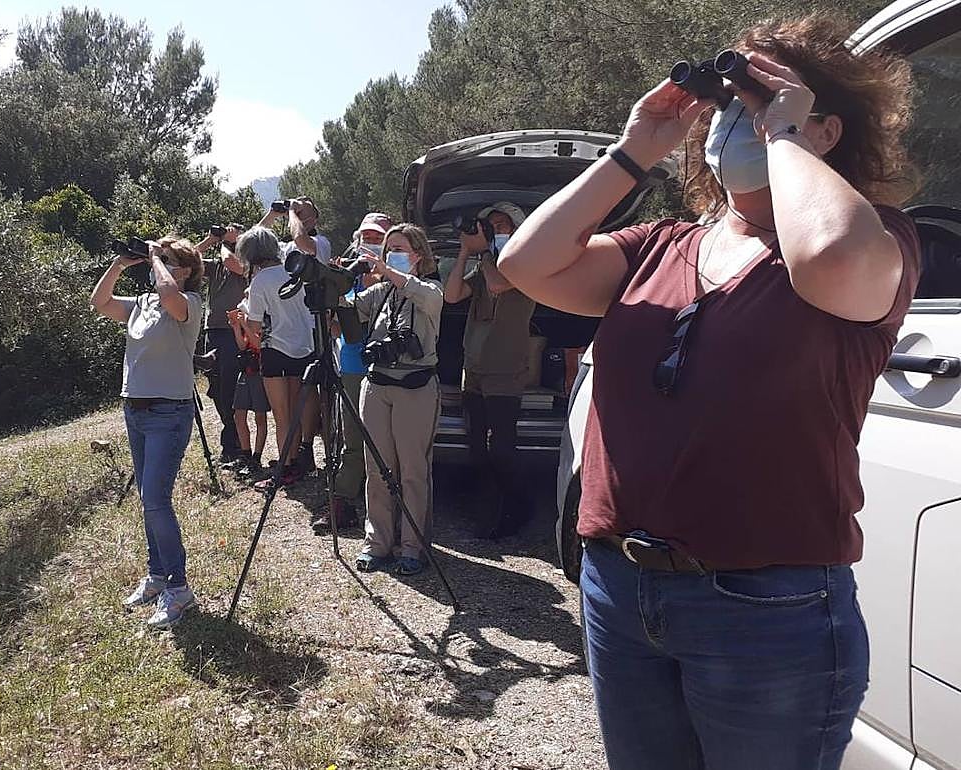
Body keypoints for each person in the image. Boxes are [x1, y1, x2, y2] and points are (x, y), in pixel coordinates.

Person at [497, 17, 920, 770]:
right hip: (620, 590)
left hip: (767, 611)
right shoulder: (659, 245)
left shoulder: (873, 238)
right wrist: (634, 151)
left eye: (761, 105)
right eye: (730, 105)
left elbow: (828, 257)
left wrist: (782, 134)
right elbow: (526, 263)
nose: (736, 121)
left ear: (826, 131)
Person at [90, 235, 207, 630]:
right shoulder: (141, 304)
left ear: (187, 270)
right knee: (147, 498)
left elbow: (170, 295)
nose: (161, 263)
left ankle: (178, 586)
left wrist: (158, 258)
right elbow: (100, 302)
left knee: (156, 499)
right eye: (161, 259)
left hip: (168, 411)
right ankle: (157, 576)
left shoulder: (188, 304)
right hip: (135, 409)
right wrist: (122, 265)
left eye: (172, 260)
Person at [350, 224, 444, 577]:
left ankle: (412, 546)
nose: (390, 256)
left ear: (418, 255)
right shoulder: (381, 294)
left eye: (399, 249)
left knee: (412, 471)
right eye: (388, 250)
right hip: (377, 387)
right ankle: (378, 543)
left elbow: (429, 297)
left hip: (415, 390)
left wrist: (386, 269)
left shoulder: (431, 290)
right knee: (377, 470)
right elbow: (347, 310)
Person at [442, 200, 536, 538]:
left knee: (502, 447)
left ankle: (516, 507)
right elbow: (452, 296)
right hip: (475, 369)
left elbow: (498, 284)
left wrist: (482, 253)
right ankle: (487, 507)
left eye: (499, 226)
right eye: (489, 226)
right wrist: (464, 253)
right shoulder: (484, 267)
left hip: (506, 370)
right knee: (477, 445)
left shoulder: (525, 265)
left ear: (516, 229)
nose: (493, 232)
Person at [320, 212, 392, 532]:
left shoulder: (396, 278)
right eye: (367, 238)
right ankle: (344, 501)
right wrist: (334, 292)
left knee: (383, 444)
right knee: (351, 439)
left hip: (386, 371)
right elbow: (336, 330)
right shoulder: (348, 278)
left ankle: (385, 510)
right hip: (352, 366)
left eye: (378, 239)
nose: (370, 244)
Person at [239, 225, 316, 490]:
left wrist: (244, 314)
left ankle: (284, 468)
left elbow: (255, 325)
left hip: (275, 350)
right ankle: (297, 463)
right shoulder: (296, 270)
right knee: (295, 411)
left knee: (281, 417)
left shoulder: (260, 280)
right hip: (304, 348)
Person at [260, 198, 331, 480]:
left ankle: (308, 448)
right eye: (296, 212)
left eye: (304, 212)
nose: (297, 215)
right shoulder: (284, 248)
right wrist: (272, 215)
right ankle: (297, 454)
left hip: (313, 330)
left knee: (310, 392)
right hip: (287, 333)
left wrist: (292, 213)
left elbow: (304, 243)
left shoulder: (321, 243)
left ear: (315, 218)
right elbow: (258, 245)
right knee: (293, 399)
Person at [193, 224, 247, 467]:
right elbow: (183, 263)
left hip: (234, 332)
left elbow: (232, 263)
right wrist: (210, 239)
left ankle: (234, 445)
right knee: (216, 388)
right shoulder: (214, 264)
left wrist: (227, 244)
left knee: (230, 388)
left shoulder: (245, 263)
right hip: (213, 331)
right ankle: (231, 441)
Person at [227, 292, 270, 478]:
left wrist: (244, 323)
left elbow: (259, 344)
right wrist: (237, 327)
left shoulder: (263, 316)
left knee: (260, 417)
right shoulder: (248, 316)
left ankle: (256, 457)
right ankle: (245, 454)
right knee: (239, 414)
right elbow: (243, 346)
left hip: (261, 372)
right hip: (246, 370)